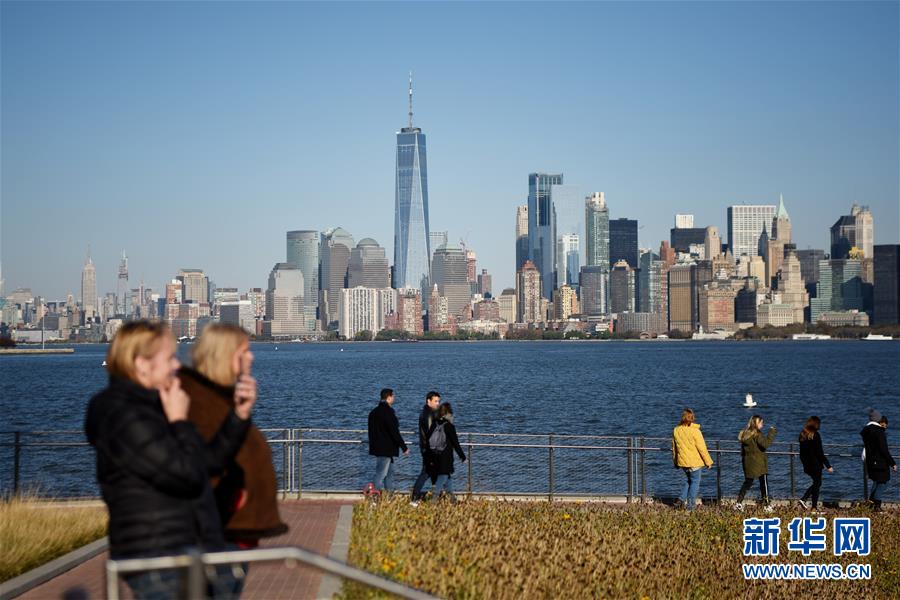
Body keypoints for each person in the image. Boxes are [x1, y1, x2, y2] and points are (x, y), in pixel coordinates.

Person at [85, 321, 253, 599]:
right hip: (158, 555)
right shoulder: (121, 414)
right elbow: (185, 475)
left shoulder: (155, 406)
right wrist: (179, 422)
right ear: (141, 364)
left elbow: (207, 464)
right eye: (170, 358)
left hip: (190, 548)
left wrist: (238, 417)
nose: (177, 366)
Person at [179, 324, 288, 548]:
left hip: (234, 531)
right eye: (244, 351)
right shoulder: (198, 403)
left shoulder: (221, 400)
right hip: (217, 532)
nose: (252, 356)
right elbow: (206, 462)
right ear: (225, 356)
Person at [671, 409, 714, 512]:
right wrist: (708, 462)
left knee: (689, 481)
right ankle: (690, 507)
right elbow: (702, 448)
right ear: (692, 418)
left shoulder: (676, 430)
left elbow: (674, 448)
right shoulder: (695, 431)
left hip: (683, 462)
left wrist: (676, 462)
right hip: (694, 462)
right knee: (695, 483)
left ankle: (680, 500)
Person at [367, 388, 408, 492]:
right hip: (386, 448)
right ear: (389, 398)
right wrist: (404, 447)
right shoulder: (389, 412)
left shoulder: (373, 412)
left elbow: (371, 431)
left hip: (378, 447)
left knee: (389, 474)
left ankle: (389, 497)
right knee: (381, 474)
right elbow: (394, 431)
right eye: (393, 396)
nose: (394, 398)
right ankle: (374, 497)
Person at [424, 402, 467, 502]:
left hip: (435, 454)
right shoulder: (449, 426)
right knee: (442, 477)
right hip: (445, 457)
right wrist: (462, 456)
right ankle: (433, 500)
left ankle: (453, 500)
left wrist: (428, 456)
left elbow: (428, 439)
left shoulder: (434, 423)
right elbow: (456, 443)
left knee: (447, 478)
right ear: (448, 413)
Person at [735, 415, 776, 512]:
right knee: (764, 484)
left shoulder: (745, 434)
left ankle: (738, 503)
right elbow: (765, 444)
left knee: (747, 483)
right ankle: (766, 505)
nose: (762, 424)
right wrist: (771, 432)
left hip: (748, 462)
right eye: (761, 422)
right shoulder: (757, 434)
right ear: (756, 424)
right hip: (759, 463)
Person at [861, 409, 896, 511]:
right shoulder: (879, 432)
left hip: (870, 461)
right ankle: (877, 505)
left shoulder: (866, 431)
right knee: (884, 482)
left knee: (877, 482)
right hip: (880, 461)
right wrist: (892, 462)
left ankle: (870, 504)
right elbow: (883, 449)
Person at [411, 391, 441, 504]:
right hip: (430, 449)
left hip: (428, 448)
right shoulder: (428, 414)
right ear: (428, 401)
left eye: (439, 401)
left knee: (433, 473)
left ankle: (435, 498)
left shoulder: (427, 412)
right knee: (426, 473)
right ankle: (414, 498)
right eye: (435, 401)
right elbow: (431, 434)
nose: (438, 403)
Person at [798, 416, 832, 511]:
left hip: (807, 464)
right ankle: (810, 505)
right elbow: (819, 453)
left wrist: (804, 463)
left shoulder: (802, 434)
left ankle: (806, 501)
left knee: (817, 483)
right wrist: (828, 465)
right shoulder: (815, 435)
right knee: (817, 484)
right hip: (815, 464)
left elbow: (802, 452)